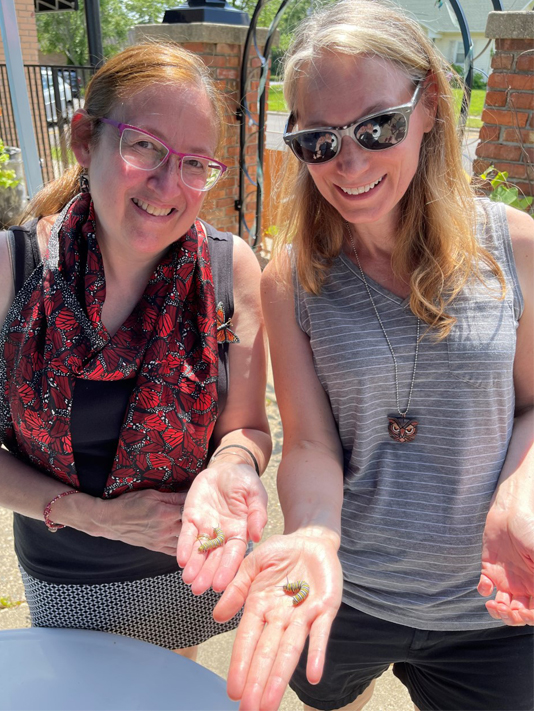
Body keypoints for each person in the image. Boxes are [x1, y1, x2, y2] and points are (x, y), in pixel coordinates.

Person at [212, 1, 534, 709]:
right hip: (343, 588)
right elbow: (311, 443)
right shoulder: (292, 277)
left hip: (490, 606)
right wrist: (316, 537)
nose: (349, 162)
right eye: (318, 142)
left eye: (377, 126)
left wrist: (521, 490)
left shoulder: (516, 250)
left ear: (431, 108)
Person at [0, 42, 271, 659]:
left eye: (196, 163)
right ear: (83, 139)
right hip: (67, 575)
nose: (168, 184)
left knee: (169, 687)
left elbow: (249, 428)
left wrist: (231, 467)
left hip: (188, 566)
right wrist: (95, 517)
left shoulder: (232, 270)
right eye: (144, 146)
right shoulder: (11, 269)